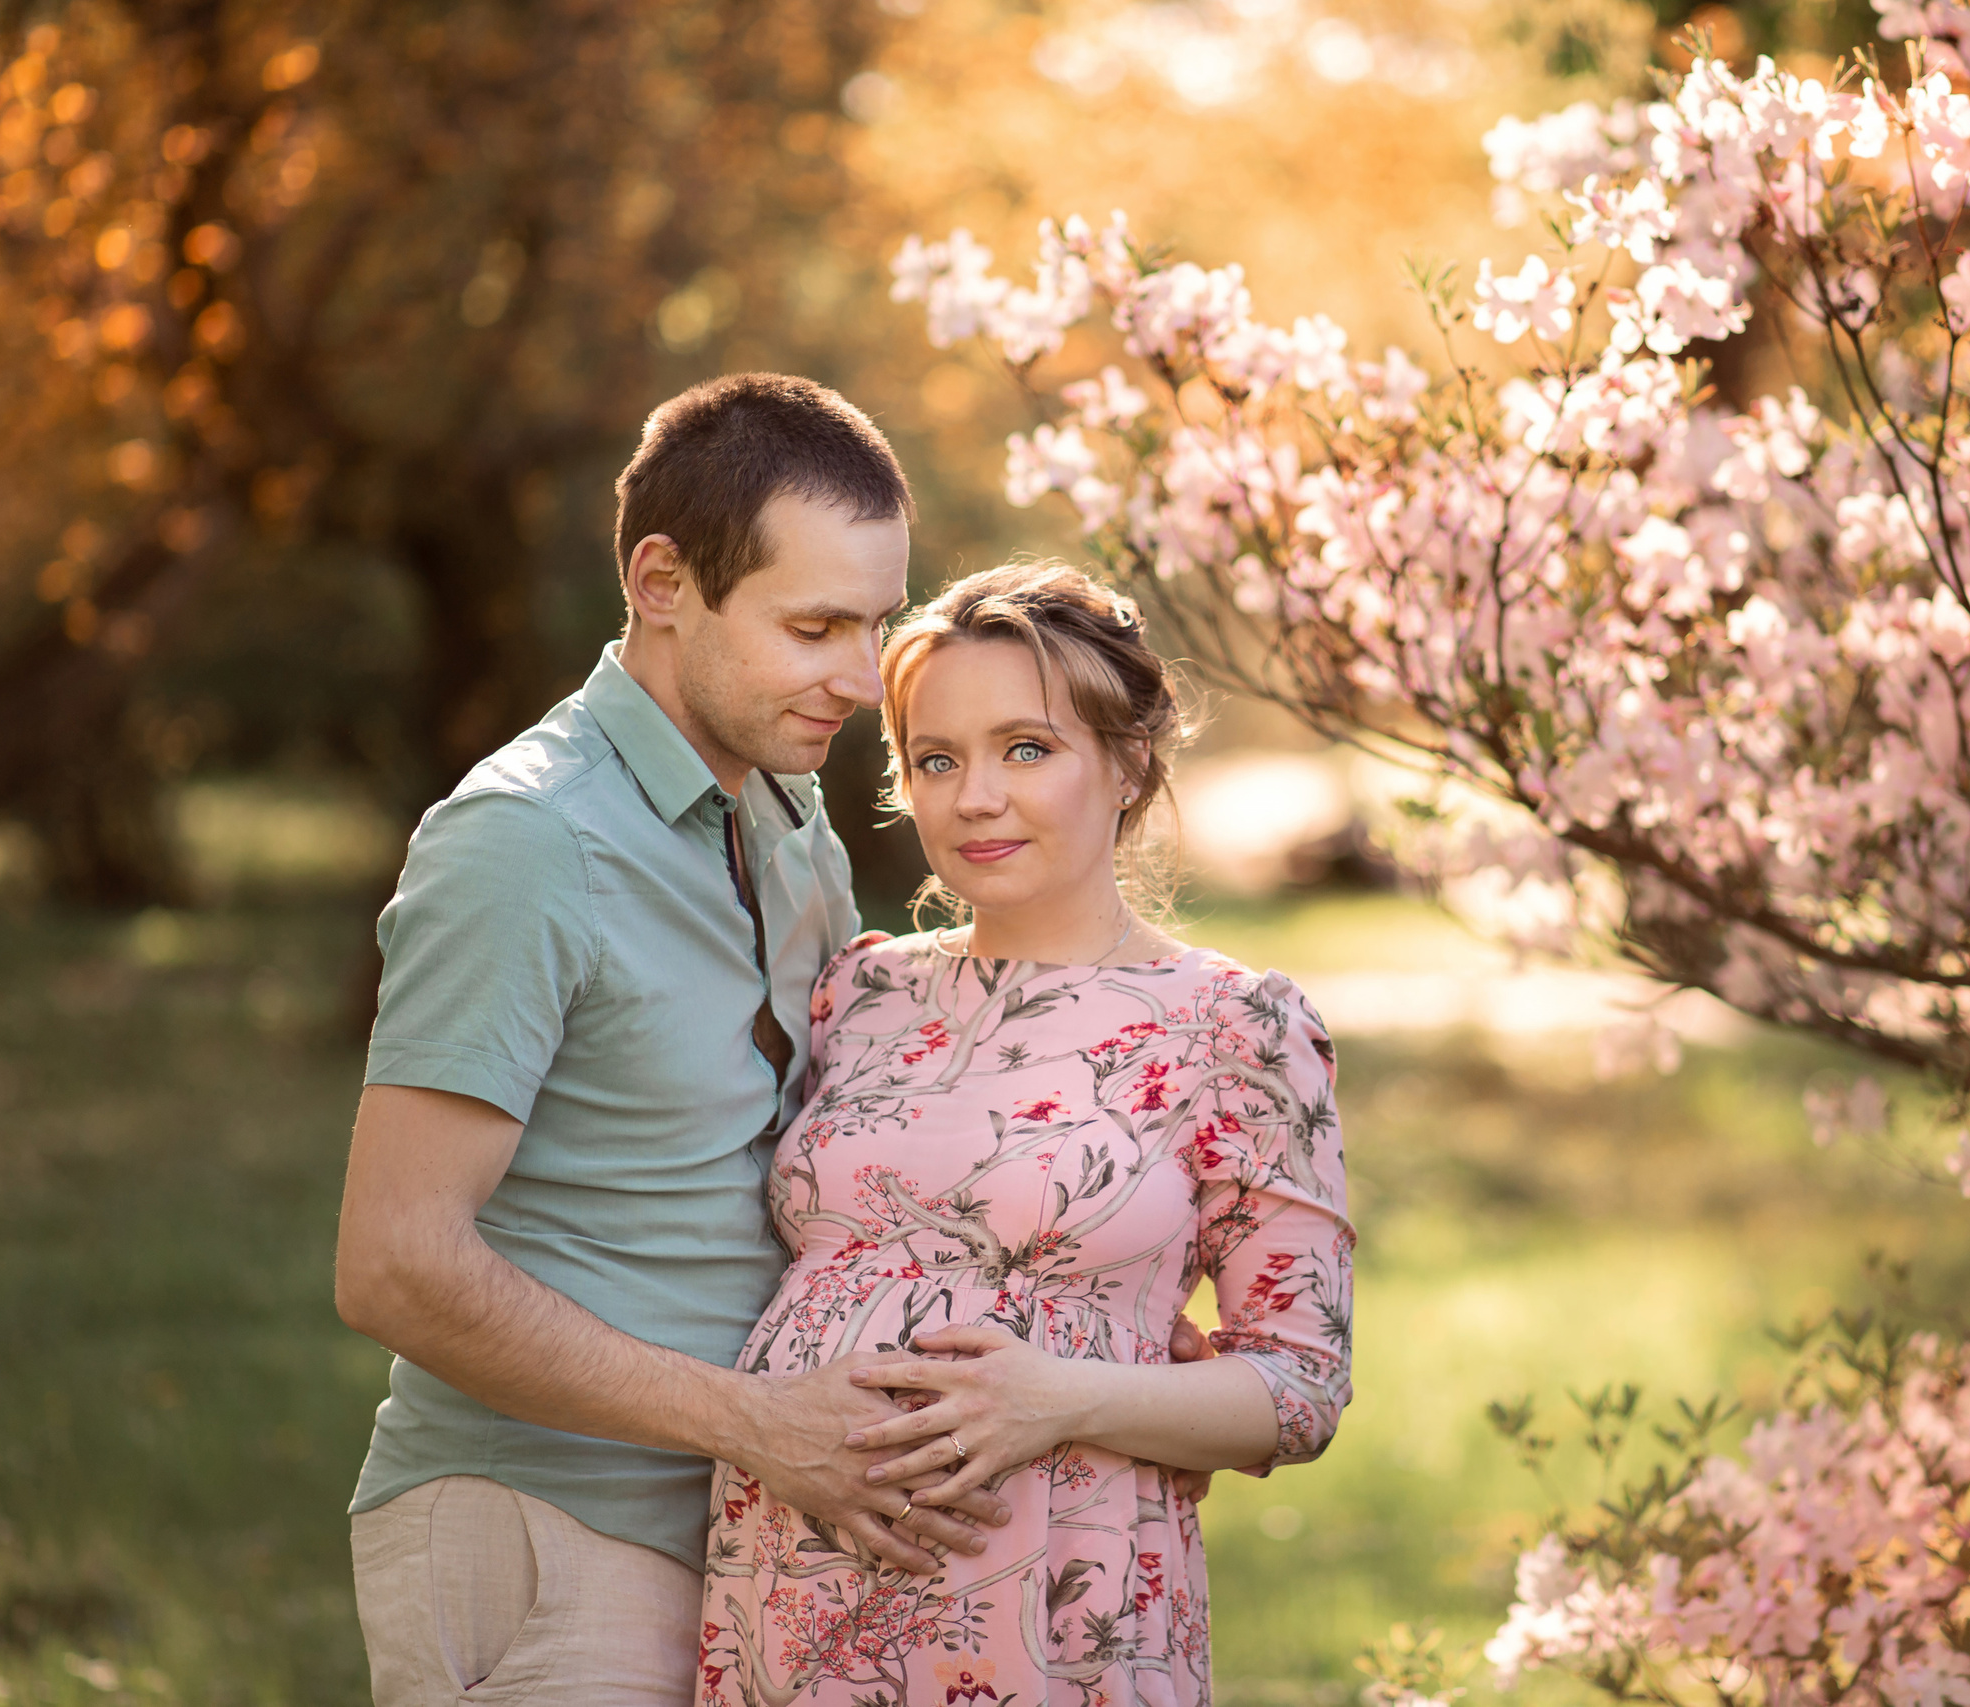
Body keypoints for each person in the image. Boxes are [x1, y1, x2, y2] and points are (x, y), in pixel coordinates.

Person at [332, 373, 1014, 1706]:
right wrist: (758, 1423)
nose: (859, 679)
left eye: (874, 625)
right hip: (541, 1522)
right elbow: (394, 1265)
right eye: (813, 624)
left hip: (756, 1530)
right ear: (661, 581)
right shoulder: (527, 842)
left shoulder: (789, 812)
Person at [699, 563, 1355, 1706]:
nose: (973, 798)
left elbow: (1299, 1388)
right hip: (788, 1581)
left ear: (1128, 762)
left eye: (1026, 750)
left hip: (1054, 1592)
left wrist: (1062, 1396)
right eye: (936, 760)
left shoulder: (1234, 1025)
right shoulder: (860, 990)